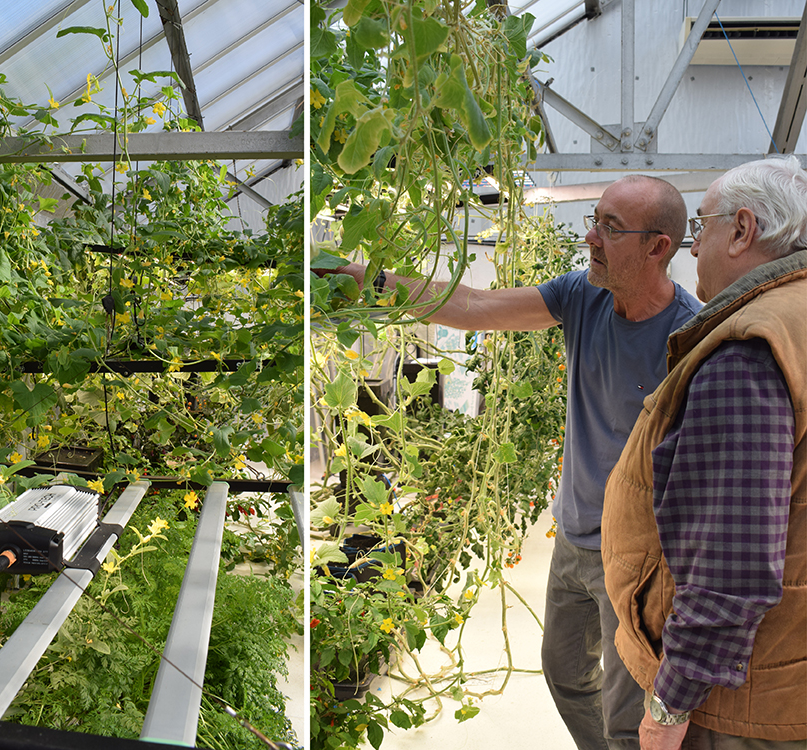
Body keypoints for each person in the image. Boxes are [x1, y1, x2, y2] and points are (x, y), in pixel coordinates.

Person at [317, 174, 702, 749]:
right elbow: (474, 305)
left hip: (638, 556)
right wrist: (369, 281)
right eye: (592, 220)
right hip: (572, 537)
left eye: (611, 228)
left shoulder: (688, 339)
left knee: (628, 714)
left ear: (658, 247)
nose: (592, 238)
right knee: (566, 672)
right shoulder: (582, 295)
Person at [602, 155, 807, 750]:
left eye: (703, 227)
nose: (693, 250)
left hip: (737, 699)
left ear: (742, 231)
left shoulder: (749, 350)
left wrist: (669, 708)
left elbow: (732, 570)